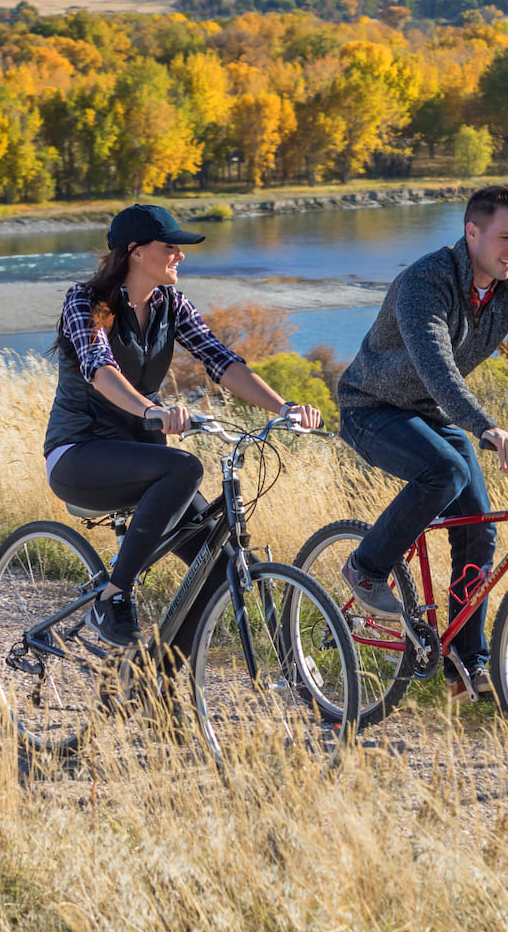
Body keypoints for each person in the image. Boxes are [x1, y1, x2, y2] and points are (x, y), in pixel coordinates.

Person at [335, 184, 508, 700]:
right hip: (370, 407)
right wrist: (485, 425)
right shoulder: (426, 281)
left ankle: (465, 666)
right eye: (505, 237)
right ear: (471, 232)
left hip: (431, 413)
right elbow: (435, 364)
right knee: (445, 470)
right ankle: (366, 567)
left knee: (479, 530)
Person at [43, 203, 323, 646]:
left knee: (214, 570)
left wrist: (284, 407)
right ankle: (112, 598)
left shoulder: (171, 304)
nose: (181, 256)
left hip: (141, 458)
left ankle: (156, 687)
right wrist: (151, 412)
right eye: (170, 247)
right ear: (135, 252)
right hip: (79, 453)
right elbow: (99, 369)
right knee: (185, 467)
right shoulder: (85, 301)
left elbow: (220, 360)